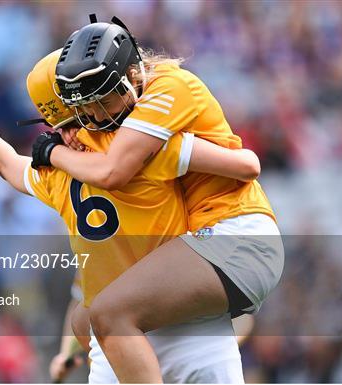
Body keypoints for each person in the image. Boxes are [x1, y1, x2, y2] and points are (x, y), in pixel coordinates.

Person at [0, 49, 262, 383]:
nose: (72, 134)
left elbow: (5, 163)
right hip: (180, 321)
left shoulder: (56, 174)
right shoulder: (148, 146)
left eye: (68, 124)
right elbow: (245, 164)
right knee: (88, 315)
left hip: (123, 337)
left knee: (88, 315)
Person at [31, 17, 284, 383]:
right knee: (90, 317)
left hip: (232, 234)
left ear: (131, 75)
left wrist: (50, 153)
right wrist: (68, 352)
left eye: (96, 105)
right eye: (74, 119)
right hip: (206, 246)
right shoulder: (107, 154)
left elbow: (248, 164)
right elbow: (85, 290)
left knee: (108, 315)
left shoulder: (155, 111)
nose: (91, 119)